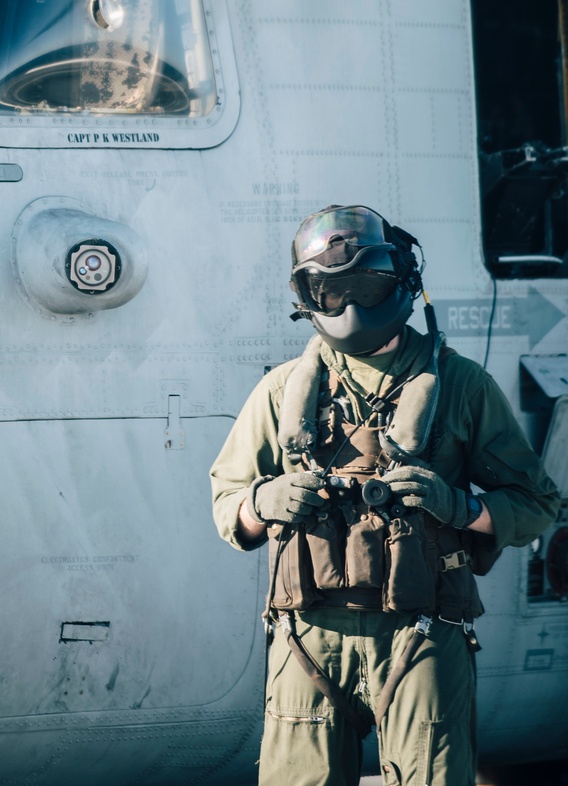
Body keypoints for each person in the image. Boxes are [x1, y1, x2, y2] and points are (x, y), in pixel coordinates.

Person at [210, 205, 559, 786]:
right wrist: (262, 502)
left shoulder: (460, 386)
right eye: (331, 290)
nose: (350, 304)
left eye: (367, 286)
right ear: (308, 297)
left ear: (401, 283)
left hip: (422, 630)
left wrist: (462, 508)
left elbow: (537, 504)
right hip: (307, 637)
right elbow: (229, 506)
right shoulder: (281, 392)